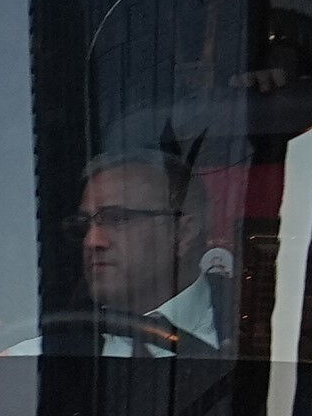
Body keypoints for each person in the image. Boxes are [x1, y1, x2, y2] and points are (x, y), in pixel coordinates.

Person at [69, 146, 223, 354]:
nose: (91, 241)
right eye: (83, 224)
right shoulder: (36, 354)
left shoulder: (262, 336)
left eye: (117, 218)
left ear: (183, 233)